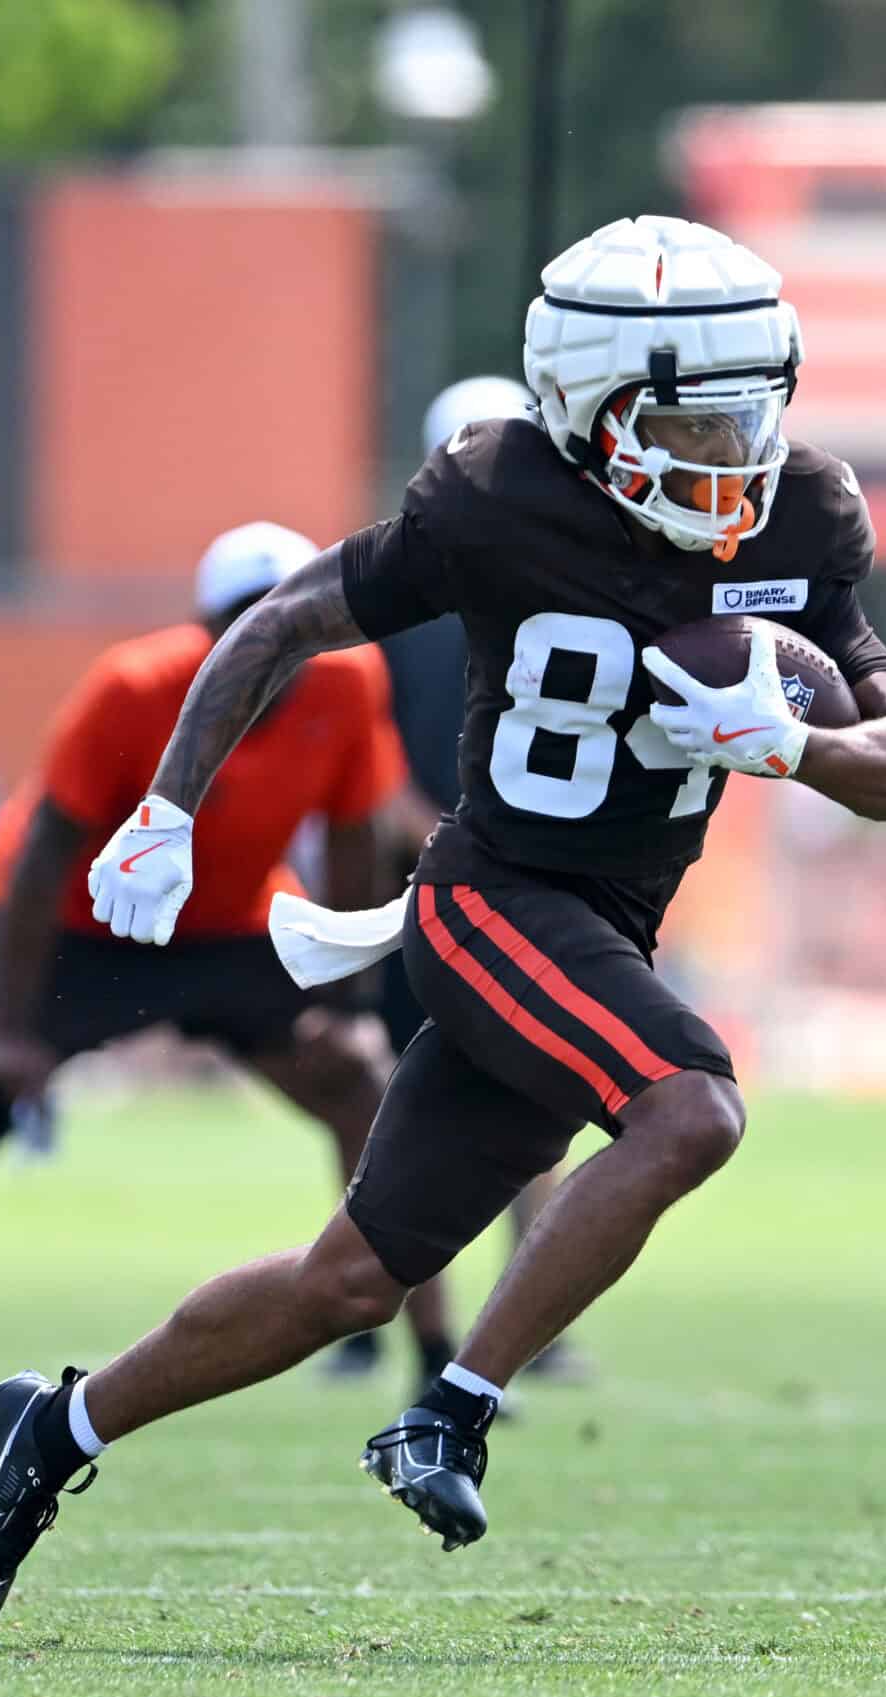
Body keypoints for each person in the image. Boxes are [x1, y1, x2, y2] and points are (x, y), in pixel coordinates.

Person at [0, 215, 886, 1631]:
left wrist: (794, 744)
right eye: (697, 423)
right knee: (692, 1108)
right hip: (490, 898)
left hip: (602, 927)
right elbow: (283, 617)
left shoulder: (800, 510)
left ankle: (52, 1426)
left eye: (751, 415)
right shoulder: (496, 497)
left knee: (346, 1276)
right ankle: (454, 1409)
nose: (738, 455)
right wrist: (168, 807)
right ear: (593, 411)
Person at [0, 521, 445, 1427]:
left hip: (231, 923)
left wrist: (344, 1001)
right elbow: (43, 848)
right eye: (243, 624)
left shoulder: (348, 683)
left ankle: (427, 1352)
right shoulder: (136, 687)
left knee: (362, 1080)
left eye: (285, 624)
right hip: (88, 923)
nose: (267, 647)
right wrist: (8, 1024)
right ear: (209, 629)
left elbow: (354, 831)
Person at [324, 374, 589, 1392]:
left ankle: (531, 1323)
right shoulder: (398, 597)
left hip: (508, 886)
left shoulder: (562, 586)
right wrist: (429, 835)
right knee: (384, 1105)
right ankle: (360, 1314)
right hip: (417, 894)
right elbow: (367, 746)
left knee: (533, 1112)